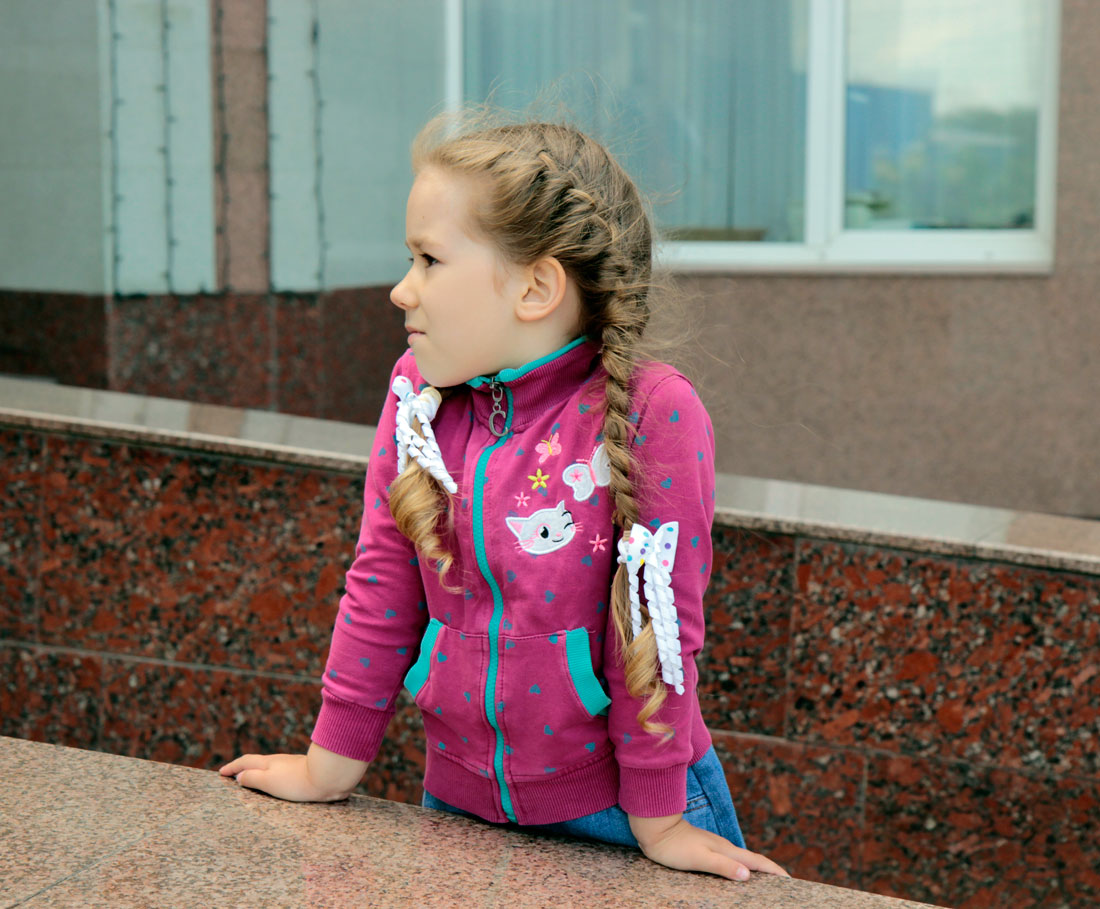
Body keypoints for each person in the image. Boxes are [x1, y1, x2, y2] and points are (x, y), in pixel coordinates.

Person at [220, 111, 788, 883]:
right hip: (459, 804)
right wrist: (331, 764)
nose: (401, 289)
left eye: (429, 259)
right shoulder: (418, 397)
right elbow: (381, 582)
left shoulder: (656, 411)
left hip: (630, 814)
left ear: (536, 286)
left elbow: (659, 628)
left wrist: (659, 819)